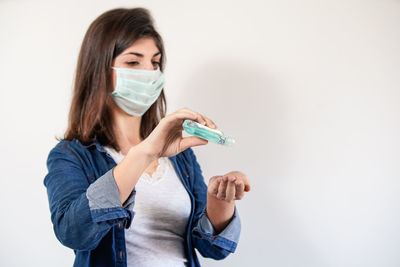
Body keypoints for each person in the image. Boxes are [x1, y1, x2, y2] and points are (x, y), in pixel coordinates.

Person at [43, 7, 251, 267]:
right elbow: (73, 233)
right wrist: (144, 154)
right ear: (99, 71)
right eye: (133, 62)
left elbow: (212, 250)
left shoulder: (181, 157)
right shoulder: (71, 156)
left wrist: (220, 201)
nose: (148, 73)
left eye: (154, 62)